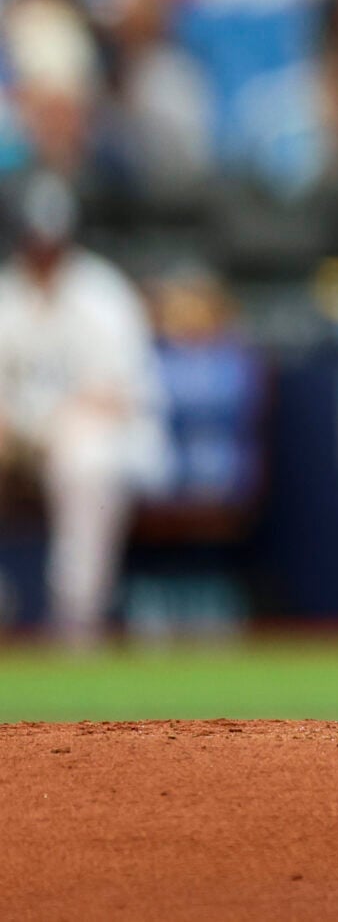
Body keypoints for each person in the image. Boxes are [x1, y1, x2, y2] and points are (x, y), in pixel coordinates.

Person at [0, 175, 169, 644]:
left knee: (86, 455)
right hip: (26, 442)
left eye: (50, 243)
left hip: (103, 439)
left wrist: (51, 420)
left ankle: (77, 619)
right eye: (34, 243)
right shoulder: (7, 295)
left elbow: (122, 397)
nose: (43, 254)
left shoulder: (103, 294)